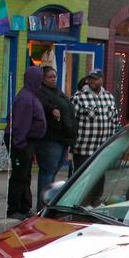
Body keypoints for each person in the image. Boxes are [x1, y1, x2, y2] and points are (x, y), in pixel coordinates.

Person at [5, 66, 47, 219]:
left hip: (27, 142)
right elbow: (21, 125)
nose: (41, 84)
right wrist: (20, 144)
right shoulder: (25, 99)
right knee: (19, 176)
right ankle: (15, 207)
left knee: (25, 175)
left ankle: (23, 206)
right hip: (22, 143)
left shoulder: (30, 96)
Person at [35, 65, 77, 208]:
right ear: (43, 79)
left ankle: (48, 202)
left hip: (62, 138)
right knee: (48, 172)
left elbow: (68, 109)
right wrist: (52, 109)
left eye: (54, 76)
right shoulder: (41, 93)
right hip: (50, 138)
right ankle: (43, 204)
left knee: (53, 171)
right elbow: (43, 105)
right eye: (50, 77)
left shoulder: (58, 92)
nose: (53, 79)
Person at [71, 69, 119, 174]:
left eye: (95, 79)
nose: (92, 81)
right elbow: (71, 122)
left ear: (102, 80)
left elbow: (114, 122)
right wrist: (72, 144)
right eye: (90, 79)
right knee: (81, 180)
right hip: (83, 150)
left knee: (99, 181)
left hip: (103, 150)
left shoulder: (109, 97)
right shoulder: (79, 97)